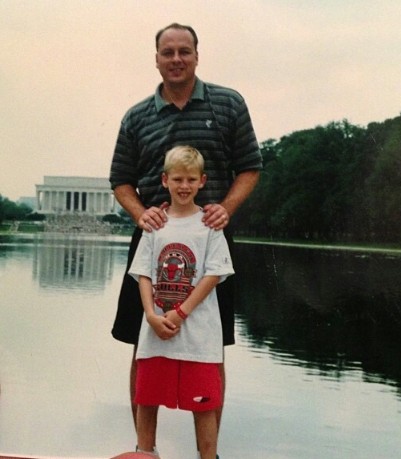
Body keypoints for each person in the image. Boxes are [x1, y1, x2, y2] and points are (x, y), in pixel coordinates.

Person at [109, 22, 262, 455]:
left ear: (197, 55)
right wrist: (142, 216)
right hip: (153, 242)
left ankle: (208, 452)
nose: (176, 59)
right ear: (156, 58)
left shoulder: (228, 104)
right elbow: (121, 180)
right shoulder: (137, 116)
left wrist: (226, 208)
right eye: (168, 52)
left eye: (184, 51)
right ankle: (145, 450)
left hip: (209, 241)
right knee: (143, 344)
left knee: (211, 347)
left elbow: (251, 166)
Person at [129, 145, 234, 458]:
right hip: (156, 332)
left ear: (202, 181)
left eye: (190, 179)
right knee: (146, 399)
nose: (184, 186)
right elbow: (144, 274)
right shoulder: (156, 225)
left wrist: (180, 313)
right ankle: (144, 453)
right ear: (165, 180)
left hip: (198, 337)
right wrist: (150, 314)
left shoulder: (209, 226)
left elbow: (213, 275)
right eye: (177, 179)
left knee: (204, 405)